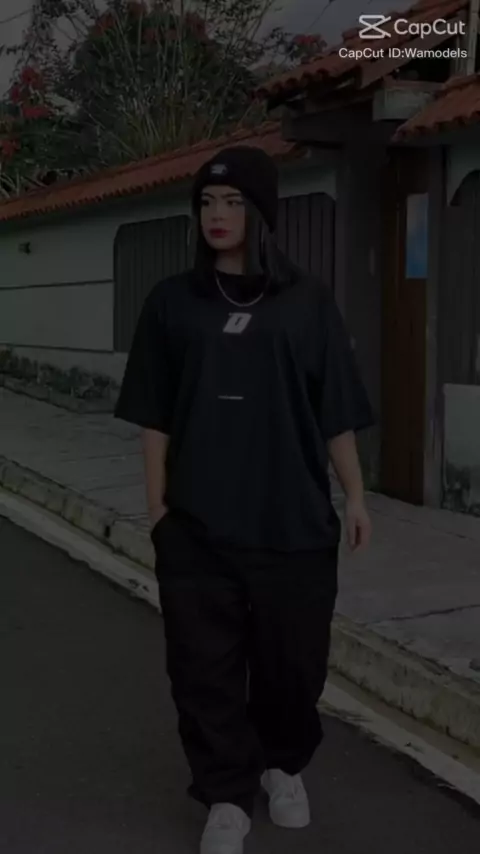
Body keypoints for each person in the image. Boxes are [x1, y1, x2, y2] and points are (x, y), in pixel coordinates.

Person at [114, 145, 374, 854]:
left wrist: (355, 495)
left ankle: (282, 765)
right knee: (204, 670)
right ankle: (226, 793)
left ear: (261, 213)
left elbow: (334, 410)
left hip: (292, 524)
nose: (217, 215)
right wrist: (158, 509)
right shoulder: (171, 303)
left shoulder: (307, 303)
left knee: (294, 667)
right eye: (207, 202)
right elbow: (154, 414)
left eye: (232, 203)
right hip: (198, 526)